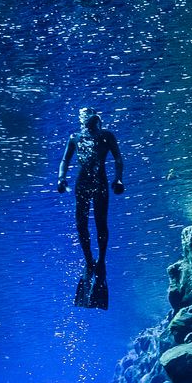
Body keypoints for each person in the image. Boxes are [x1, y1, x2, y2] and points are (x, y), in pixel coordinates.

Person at [56, 107, 124, 280]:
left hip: (100, 182)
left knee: (101, 223)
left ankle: (101, 260)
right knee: (81, 224)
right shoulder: (75, 138)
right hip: (83, 184)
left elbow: (117, 158)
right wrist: (61, 178)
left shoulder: (107, 136)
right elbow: (65, 160)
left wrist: (118, 178)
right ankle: (89, 260)